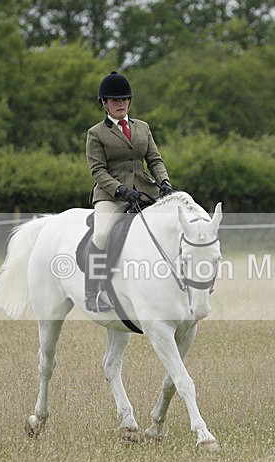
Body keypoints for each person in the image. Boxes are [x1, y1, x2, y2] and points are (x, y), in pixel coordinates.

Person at [84, 71, 174, 312]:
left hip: (144, 190)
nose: (120, 103)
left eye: (124, 99)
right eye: (115, 100)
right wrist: (120, 190)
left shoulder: (142, 128)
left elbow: (154, 160)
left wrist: (164, 181)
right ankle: (92, 292)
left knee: (170, 226)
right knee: (101, 235)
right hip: (110, 195)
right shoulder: (96, 133)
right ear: (104, 103)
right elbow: (98, 171)